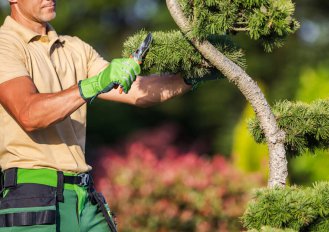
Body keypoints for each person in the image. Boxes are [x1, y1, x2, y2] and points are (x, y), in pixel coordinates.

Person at [0, 0, 191, 231]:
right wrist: (93, 84)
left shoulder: (75, 48)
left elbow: (136, 91)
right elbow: (29, 113)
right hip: (32, 195)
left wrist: (192, 77)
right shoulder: (5, 45)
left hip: (85, 196)